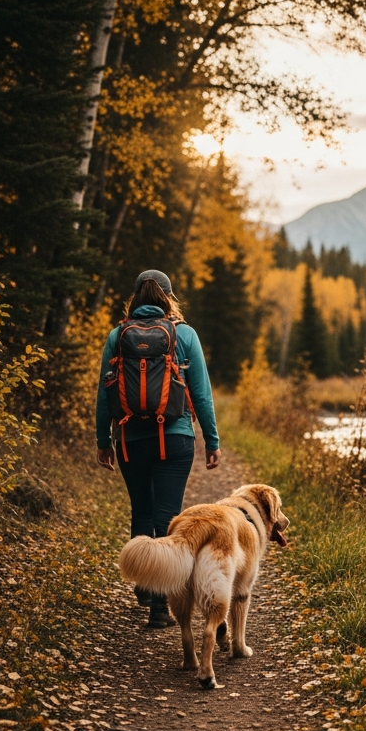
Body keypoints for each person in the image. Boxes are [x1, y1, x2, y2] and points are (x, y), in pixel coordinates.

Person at [96, 269, 221, 628]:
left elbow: (105, 396)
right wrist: (211, 440)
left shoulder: (118, 336)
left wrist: (104, 442)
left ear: (135, 297)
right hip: (176, 438)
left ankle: (145, 584)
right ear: (169, 297)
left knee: (142, 512)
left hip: (130, 440)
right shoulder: (185, 334)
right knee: (169, 518)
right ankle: (159, 607)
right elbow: (201, 393)